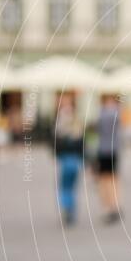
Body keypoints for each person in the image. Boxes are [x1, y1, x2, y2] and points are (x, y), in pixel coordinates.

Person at [52, 94, 85, 226]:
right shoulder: (77, 120)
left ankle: (67, 208)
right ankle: (70, 210)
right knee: (70, 185)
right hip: (74, 158)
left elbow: (56, 141)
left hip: (67, 157)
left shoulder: (61, 120)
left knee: (66, 185)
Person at [96, 94, 122, 223]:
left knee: (104, 180)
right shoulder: (117, 112)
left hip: (104, 150)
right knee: (113, 179)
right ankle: (115, 205)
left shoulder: (102, 113)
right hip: (114, 150)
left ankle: (108, 207)